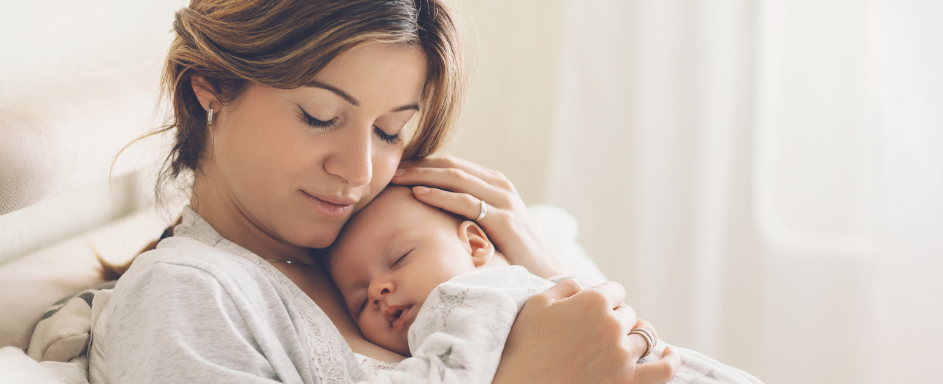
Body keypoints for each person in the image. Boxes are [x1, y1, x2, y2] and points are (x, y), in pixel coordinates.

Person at [87, 0, 691, 383]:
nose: (357, 170)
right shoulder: (187, 293)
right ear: (211, 88)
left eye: (389, 130)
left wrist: (536, 266)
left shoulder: (402, 235)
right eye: (320, 116)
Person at [327, 186, 764, 384]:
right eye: (359, 299)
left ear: (476, 245)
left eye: (399, 258)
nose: (379, 290)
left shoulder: (460, 300)